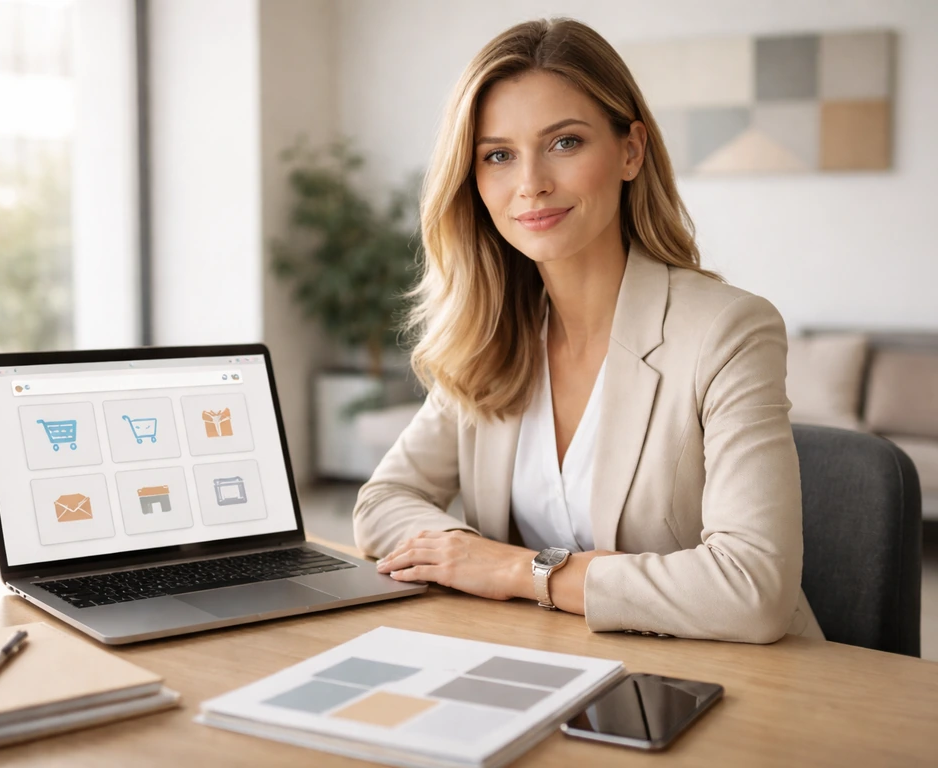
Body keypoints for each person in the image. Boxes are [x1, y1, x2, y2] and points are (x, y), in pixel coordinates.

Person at [353, 17, 824, 644]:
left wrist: (521, 572)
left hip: (723, 684)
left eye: (565, 143)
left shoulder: (728, 330)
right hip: (544, 663)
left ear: (631, 151)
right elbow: (383, 502)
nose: (531, 184)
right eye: (498, 155)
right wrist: (463, 554)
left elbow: (753, 590)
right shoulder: (490, 334)